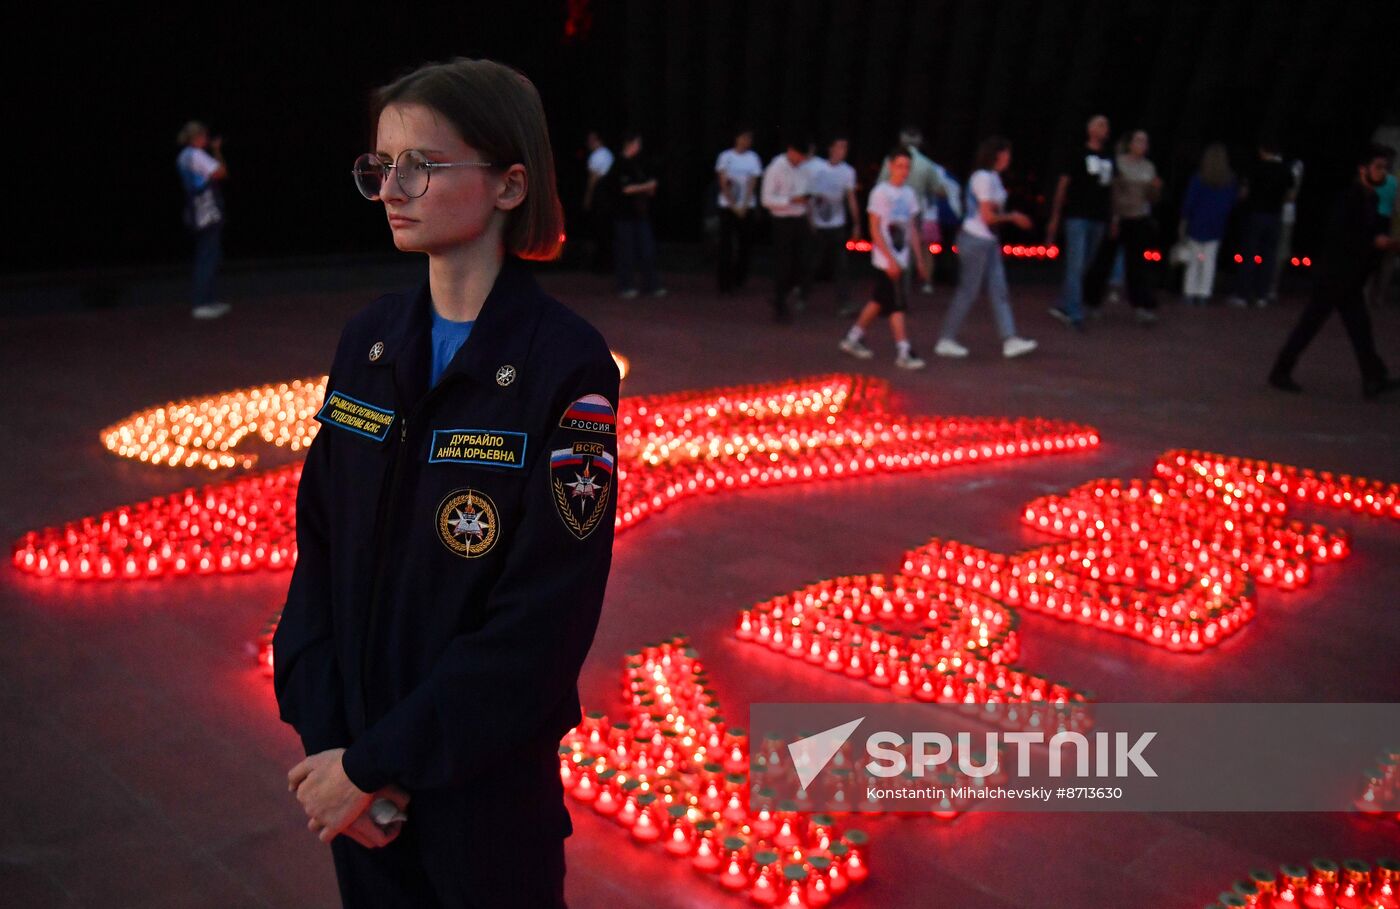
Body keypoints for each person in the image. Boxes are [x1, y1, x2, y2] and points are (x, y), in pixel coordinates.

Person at [274, 58, 619, 908]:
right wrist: (335, 753)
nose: (393, 189)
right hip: (362, 802)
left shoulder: (564, 363)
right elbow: (317, 557)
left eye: (421, 165)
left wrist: (374, 763)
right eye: (381, 166)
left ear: (509, 185)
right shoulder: (368, 342)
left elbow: (543, 623)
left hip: (483, 804)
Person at [1269, 144, 1399, 399]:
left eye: (1385, 168)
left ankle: (1373, 377)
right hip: (1335, 277)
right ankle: (1281, 370)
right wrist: (1373, 242)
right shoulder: (1350, 199)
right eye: (1378, 167)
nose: (1383, 172)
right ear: (1363, 169)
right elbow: (1341, 236)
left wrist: (1379, 243)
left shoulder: (1370, 198)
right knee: (1313, 325)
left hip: (1348, 278)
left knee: (1358, 329)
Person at [935, 137, 1038, 359]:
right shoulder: (983, 178)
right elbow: (987, 216)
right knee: (968, 291)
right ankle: (946, 338)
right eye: (1007, 153)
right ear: (998, 154)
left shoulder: (992, 177)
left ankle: (1009, 339)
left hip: (987, 240)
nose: (1009, 157)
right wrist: (1013, 217)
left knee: (998, 289)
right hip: (975, 239)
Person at [837, 147, 926, 369]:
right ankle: (903, 350)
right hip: (885, 260)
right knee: (896, 304)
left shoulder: (909, 194)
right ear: (890, 166)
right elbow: (875, 228)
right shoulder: (881, 192)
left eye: (907, 167)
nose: (903, 171)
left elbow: (912, 228)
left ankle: (853, 337)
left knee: (879, 300)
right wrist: (889, 259)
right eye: (899, 166)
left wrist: (919, 259)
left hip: (901, 256)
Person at [1085, 129, 1163, 323]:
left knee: (1138, 265)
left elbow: (1152, 199)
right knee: (1104, 261)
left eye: (1145, 142)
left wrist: (1155, 189)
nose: (1142, 145)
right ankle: (1092, 302)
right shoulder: (1119, 163)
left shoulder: (1149, 167)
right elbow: (1113, 192)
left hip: (1139, 217)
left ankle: (1142, 306)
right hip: (1119, 217)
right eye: (1138, 141)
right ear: (1130, 144)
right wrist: (1114, 218)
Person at [1046, 114, 1114, 330]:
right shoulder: (1077, 154)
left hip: (1098, 216)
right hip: (1077, 215)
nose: (1104, 129)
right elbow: (1063, 184)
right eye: (1100, 125)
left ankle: (1064, 302)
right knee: (1075, 263)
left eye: (1106, 125)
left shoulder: (1109, 157)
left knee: (1086, 263)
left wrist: (1113, 216)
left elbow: (1111, 188)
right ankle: (1075, 312)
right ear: (1090, 129)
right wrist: (1055, 216)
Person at [878, 126, 949, 294]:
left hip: (891, 211)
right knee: (913, 250)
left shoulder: (890, 161)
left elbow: (880, 184)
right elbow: (939, 190)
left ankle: (892, 287)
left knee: (891, 248)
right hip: (914, 212)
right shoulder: (926, 164)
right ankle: (905, 289)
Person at [1228, 140, 1295, 308]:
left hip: (1256, 214)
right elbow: (1290, 194)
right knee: (1268, 257)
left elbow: (1244, 192)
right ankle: (1262, 295)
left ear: (1262, 151)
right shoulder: (1285, 170)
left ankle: (1243, 294)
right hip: (1274, 216)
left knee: (1249, 255)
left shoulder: (1256, 168)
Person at [175, 121, 230, 320]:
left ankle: (208, 300)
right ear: (197, 137)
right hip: (206, 210)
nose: (206, 139)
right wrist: (217, 150)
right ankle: (201, 303)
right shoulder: (197, 155)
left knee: (207, 254)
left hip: (195, 209)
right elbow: (221, 172)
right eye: (204, 136)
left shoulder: (183, 156)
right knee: (208, 256)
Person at [806, 136, 862, 315]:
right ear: (830, 148)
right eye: (839, 147)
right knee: (813, 263)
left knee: (841, 265)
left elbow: (851, 198)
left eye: (845, 148)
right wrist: (809, 220)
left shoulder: (848, 171)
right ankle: (802, 295)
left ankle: (844, 302)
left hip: (837, 224)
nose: (842, 151)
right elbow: (809, 196)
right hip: (818, 223)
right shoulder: (817, 168)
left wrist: (856, 224)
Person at [1177, 143, 1237, 306]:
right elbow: (1230, 204)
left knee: (1193, 260)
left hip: (1197, 223)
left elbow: (1189, 202)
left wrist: (1184, 218)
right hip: (1216, 224)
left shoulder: (1198, 178)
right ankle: (1204, 293)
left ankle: (1190, 291)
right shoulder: (1229, 181)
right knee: (1209, 261)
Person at [761, 138, 812, 323]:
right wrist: (790, 200)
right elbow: (766, 200)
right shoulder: (776, 168)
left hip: (800, 218)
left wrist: (806, 202)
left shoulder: (804, 168)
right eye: (799, 156)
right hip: (782, 220)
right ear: (791, 151)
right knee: (784, 264)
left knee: (803, 261)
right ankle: (780, 305)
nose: (801, 160)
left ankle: (787, 293)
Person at [612, 132, 665, 298]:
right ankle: (626, 285)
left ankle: (651, 284)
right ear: (629, 144)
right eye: (637, 144)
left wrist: (649, 188)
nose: (639, 147)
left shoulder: (639, 164)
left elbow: (645, 186)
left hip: (640, 214)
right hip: (624, 215)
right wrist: (646, 186)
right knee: (626, 251)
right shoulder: (619, 164)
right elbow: (625, 189)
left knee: (647, 250)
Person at [714, 128, 764, 294]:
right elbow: (723, 182)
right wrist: (733, 204)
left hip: (746, 207)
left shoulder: (753, 158)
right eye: (744, 138)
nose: (746, 141)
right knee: (725, 245)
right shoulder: (725, 156)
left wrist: (744, 204)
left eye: (749, 139)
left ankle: (739, 279)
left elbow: (752, 182)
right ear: (736, 138)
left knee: (745, 245)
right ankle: (724, 283)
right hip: (727, 206)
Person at [581, 130, 614, 272]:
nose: (589, 143)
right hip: (609, 197)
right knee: (606, 231)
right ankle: (607, 263)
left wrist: (587, 199)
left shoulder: (596, 156)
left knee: (598, 230)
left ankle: (599, 264)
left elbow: (592, 179)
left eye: (591, 140)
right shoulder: (609, 154)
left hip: (600, 197)